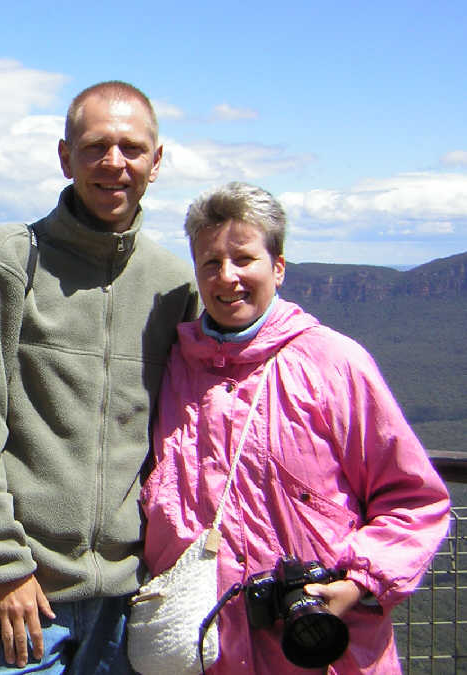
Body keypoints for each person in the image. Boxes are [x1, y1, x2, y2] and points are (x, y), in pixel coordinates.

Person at [0, 81, 199, 673]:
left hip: (129, 597)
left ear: (157, 161)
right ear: (65, 156)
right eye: (96, 146)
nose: (114, 163)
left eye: (131, 148)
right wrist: (1, 567)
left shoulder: (175, 284)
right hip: (19, 595)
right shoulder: (9, 259)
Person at [141, 181, 450, 673]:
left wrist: (356, 585)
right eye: (210, 263)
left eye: (244, 259)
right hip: (207, 649)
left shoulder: (334, 363)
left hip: (324, 652)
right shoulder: (174, 367)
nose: (227, 278)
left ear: (278, 267)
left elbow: (414, 500)